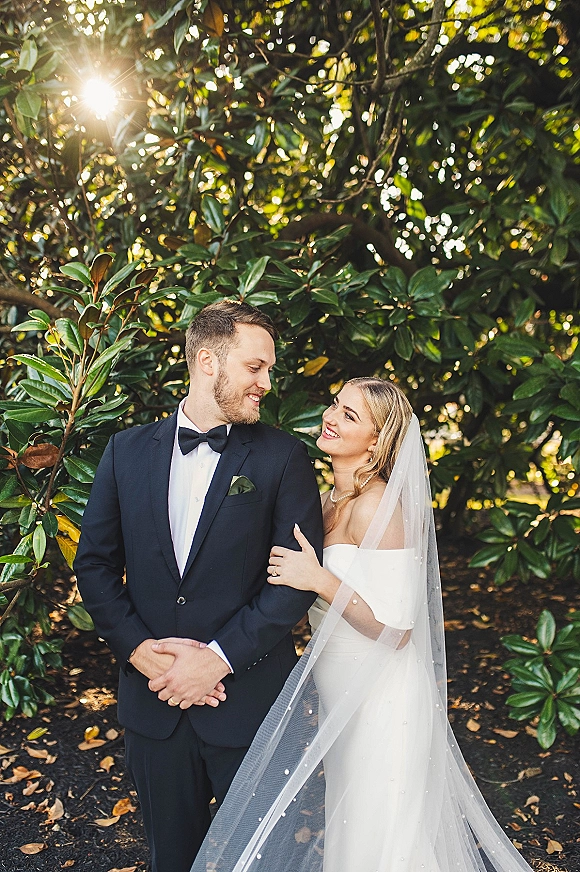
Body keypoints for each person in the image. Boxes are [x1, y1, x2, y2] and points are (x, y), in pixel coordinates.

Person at [190, 377, 536, 872]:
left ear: (377, 442)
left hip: (384, 699)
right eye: (335, 405)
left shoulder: (379, 506)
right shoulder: (329, 499)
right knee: (354, 828)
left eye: (350, 415)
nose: (331, 416)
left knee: (383, 837)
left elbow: (398, 630)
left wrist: (318, 579)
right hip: (344, 692)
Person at [74, 301, 323, 872]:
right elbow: (94, 565)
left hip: (249, 703)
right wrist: (141, 653)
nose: (266, 383)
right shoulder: (125, 452)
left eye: (268, 370)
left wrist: (216, 659)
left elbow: (293, 584)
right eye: (255, 368)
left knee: (260, 861)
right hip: (153, 704)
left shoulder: (284, 458)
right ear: (208, 361)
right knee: (171, 859)